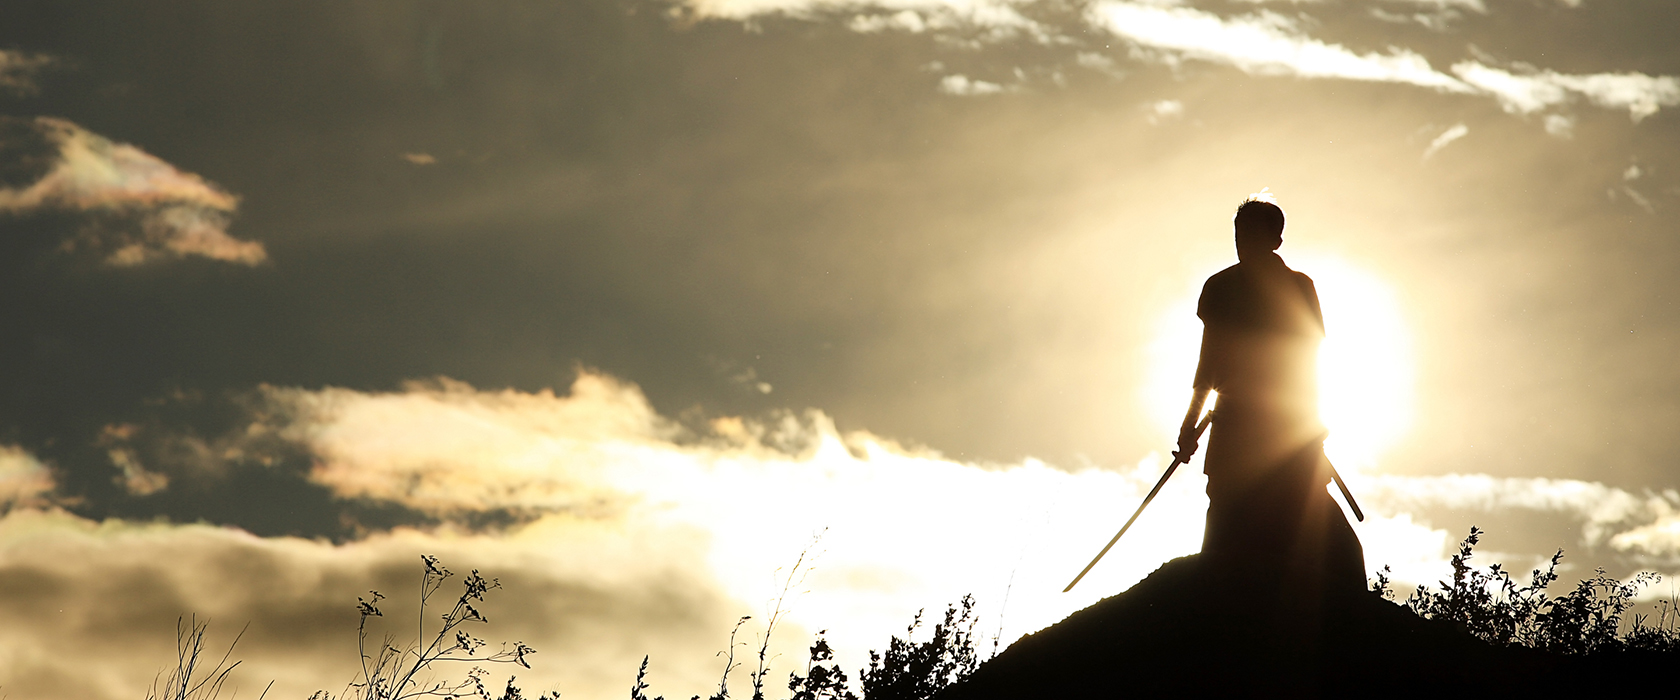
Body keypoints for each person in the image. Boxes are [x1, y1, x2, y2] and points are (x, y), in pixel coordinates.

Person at [1173, 197, 1365, 594]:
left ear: (1275, 240)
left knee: (1328, 540)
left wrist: (1313, 424)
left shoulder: (1299, 287)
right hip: (1239, 432)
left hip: (1286, 432)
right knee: (1226, 536)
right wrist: (1189, 424)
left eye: (1250, 235)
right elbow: (1208, 364)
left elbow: (1308, 359)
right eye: (1239, 234)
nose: (1241, 243)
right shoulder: (1220, 287)